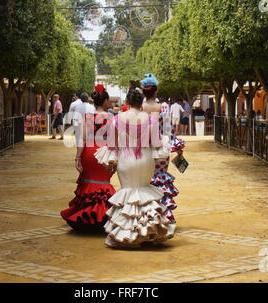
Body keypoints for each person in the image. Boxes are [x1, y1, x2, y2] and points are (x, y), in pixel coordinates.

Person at [94, 88, 176, 248]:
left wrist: (111, 162)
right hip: (145, 159)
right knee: (144, 191)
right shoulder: (150, 118)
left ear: (127, 102)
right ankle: (146, 231)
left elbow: (112, 144)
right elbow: (157, 144)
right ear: (141, 102)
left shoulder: (117, 118)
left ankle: (127, 234)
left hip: (126, 159)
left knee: (128, 193)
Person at [61, 85, 116, 231]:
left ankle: (85, 216)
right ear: (104, 101)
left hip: (89, 153)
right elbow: (113, 139)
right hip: (104, 153)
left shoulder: (88, 117)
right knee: (103, 182)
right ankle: (102, 216)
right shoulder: (110, 117)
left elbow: (83, 139)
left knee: (89, 181)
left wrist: (78, 157)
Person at [141, 73, 185, 222]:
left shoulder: (139, 108)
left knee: (144, 181)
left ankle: (145, 215)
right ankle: (162, 215)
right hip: (160, 150)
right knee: (160, 179)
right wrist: (178, 148)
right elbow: (168, 132)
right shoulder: (162, 108)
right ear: (156, 91)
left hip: (141, 151)